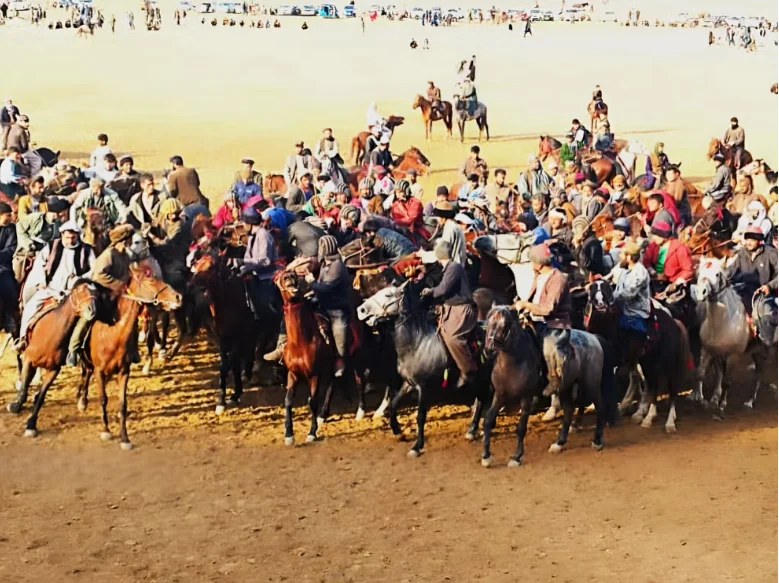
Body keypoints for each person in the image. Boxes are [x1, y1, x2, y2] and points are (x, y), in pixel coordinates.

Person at [16, 221, 95, 352]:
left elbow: (94, 269)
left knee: (92, 309)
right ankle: (23, 338)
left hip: (75, 290)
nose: (70, 240)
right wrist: (41, 280)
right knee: (30, 307)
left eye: (73, 237)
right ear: (62, 234)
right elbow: (39, 264)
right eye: (67, 237)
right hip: (51, 288)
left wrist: (79, 279)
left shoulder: (87, 249)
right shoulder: (51, 246)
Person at [67, 224, 135, 366]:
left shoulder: (125, 256)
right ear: (123, 240)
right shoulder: (108, 255)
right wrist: (119, 285)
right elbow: (99, 276)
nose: (131, 241)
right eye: (129, 239)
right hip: (101, 293)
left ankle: (132, 349)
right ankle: (73, 349)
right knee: (89, 316)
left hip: (118, 295)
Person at [514, 244, 571, 396]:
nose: (532, 264)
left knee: (548, 347)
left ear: (539, 263)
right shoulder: (539, 275)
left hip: (555, 324)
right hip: (536, 321)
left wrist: (527, 304)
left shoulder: (558, 279)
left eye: (533, 261)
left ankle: (554, 379)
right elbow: (533, 298)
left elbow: (548, 308)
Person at [420, 240, 477, 389]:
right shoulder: (449, 268)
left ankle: (468, 370)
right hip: (451, 308)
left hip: (461, 310)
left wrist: (429, 292)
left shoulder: (454, 268)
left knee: (453, 338)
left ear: (439, 256)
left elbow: (443, 289)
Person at [305, 235, 351, 377]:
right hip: (321, 302)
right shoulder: (325, 263)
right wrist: (310, 291)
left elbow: (326, 287)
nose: (319, 250)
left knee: (339, 331)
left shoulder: (337, 265)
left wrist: (312, 282)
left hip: (335, 306)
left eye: (321, 247)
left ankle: (340, 359)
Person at [726, 225, 777, 345]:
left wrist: (769, 286)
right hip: (742, 289)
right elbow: (731, 270)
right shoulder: (742, 252)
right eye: (747, 239)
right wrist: (722, 277)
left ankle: (766, 346)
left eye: (752, 240)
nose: (748, 243)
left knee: (763, 316)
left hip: (762, 294)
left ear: (759, 241)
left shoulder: (771, 253)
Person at [240, 207, 280, 318]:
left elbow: (265, 261)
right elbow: (248, 257)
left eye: (244, 222)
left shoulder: (263, 235)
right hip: (256, 278)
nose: (243, 225)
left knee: (269, 312)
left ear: (250, 223)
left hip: (267, 279)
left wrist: (244, 263)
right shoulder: (251, 237)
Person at [611, 241, 652, 344]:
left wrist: (610, 297)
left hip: (634, 313)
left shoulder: (639, 272)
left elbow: (628, 293)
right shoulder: (626, 267)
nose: (619, 256)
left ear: (629, 257)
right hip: (621, 309)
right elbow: (611, 276)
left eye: (621, 254)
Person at [642, 220, 694, 293]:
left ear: (664, 236)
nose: (654, 238)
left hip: (673, 287)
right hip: (654, 284)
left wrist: (676, 283)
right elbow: (646, 261)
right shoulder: (653, 246)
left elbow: (688, 270)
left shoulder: (680, 248)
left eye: (656, 235)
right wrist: (653, 272)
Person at [572, 215, 609, 281]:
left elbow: (586, 264)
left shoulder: (593, 243)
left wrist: (577, 245)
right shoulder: (584, 242)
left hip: (594, 280)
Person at [429, 198, 465, 265]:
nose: (437, 219)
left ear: (443, 217)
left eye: (438, 216)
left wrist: (423, 255)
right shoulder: (452, 224)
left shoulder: (449, 228)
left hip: (455, 267)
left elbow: (442, 253)